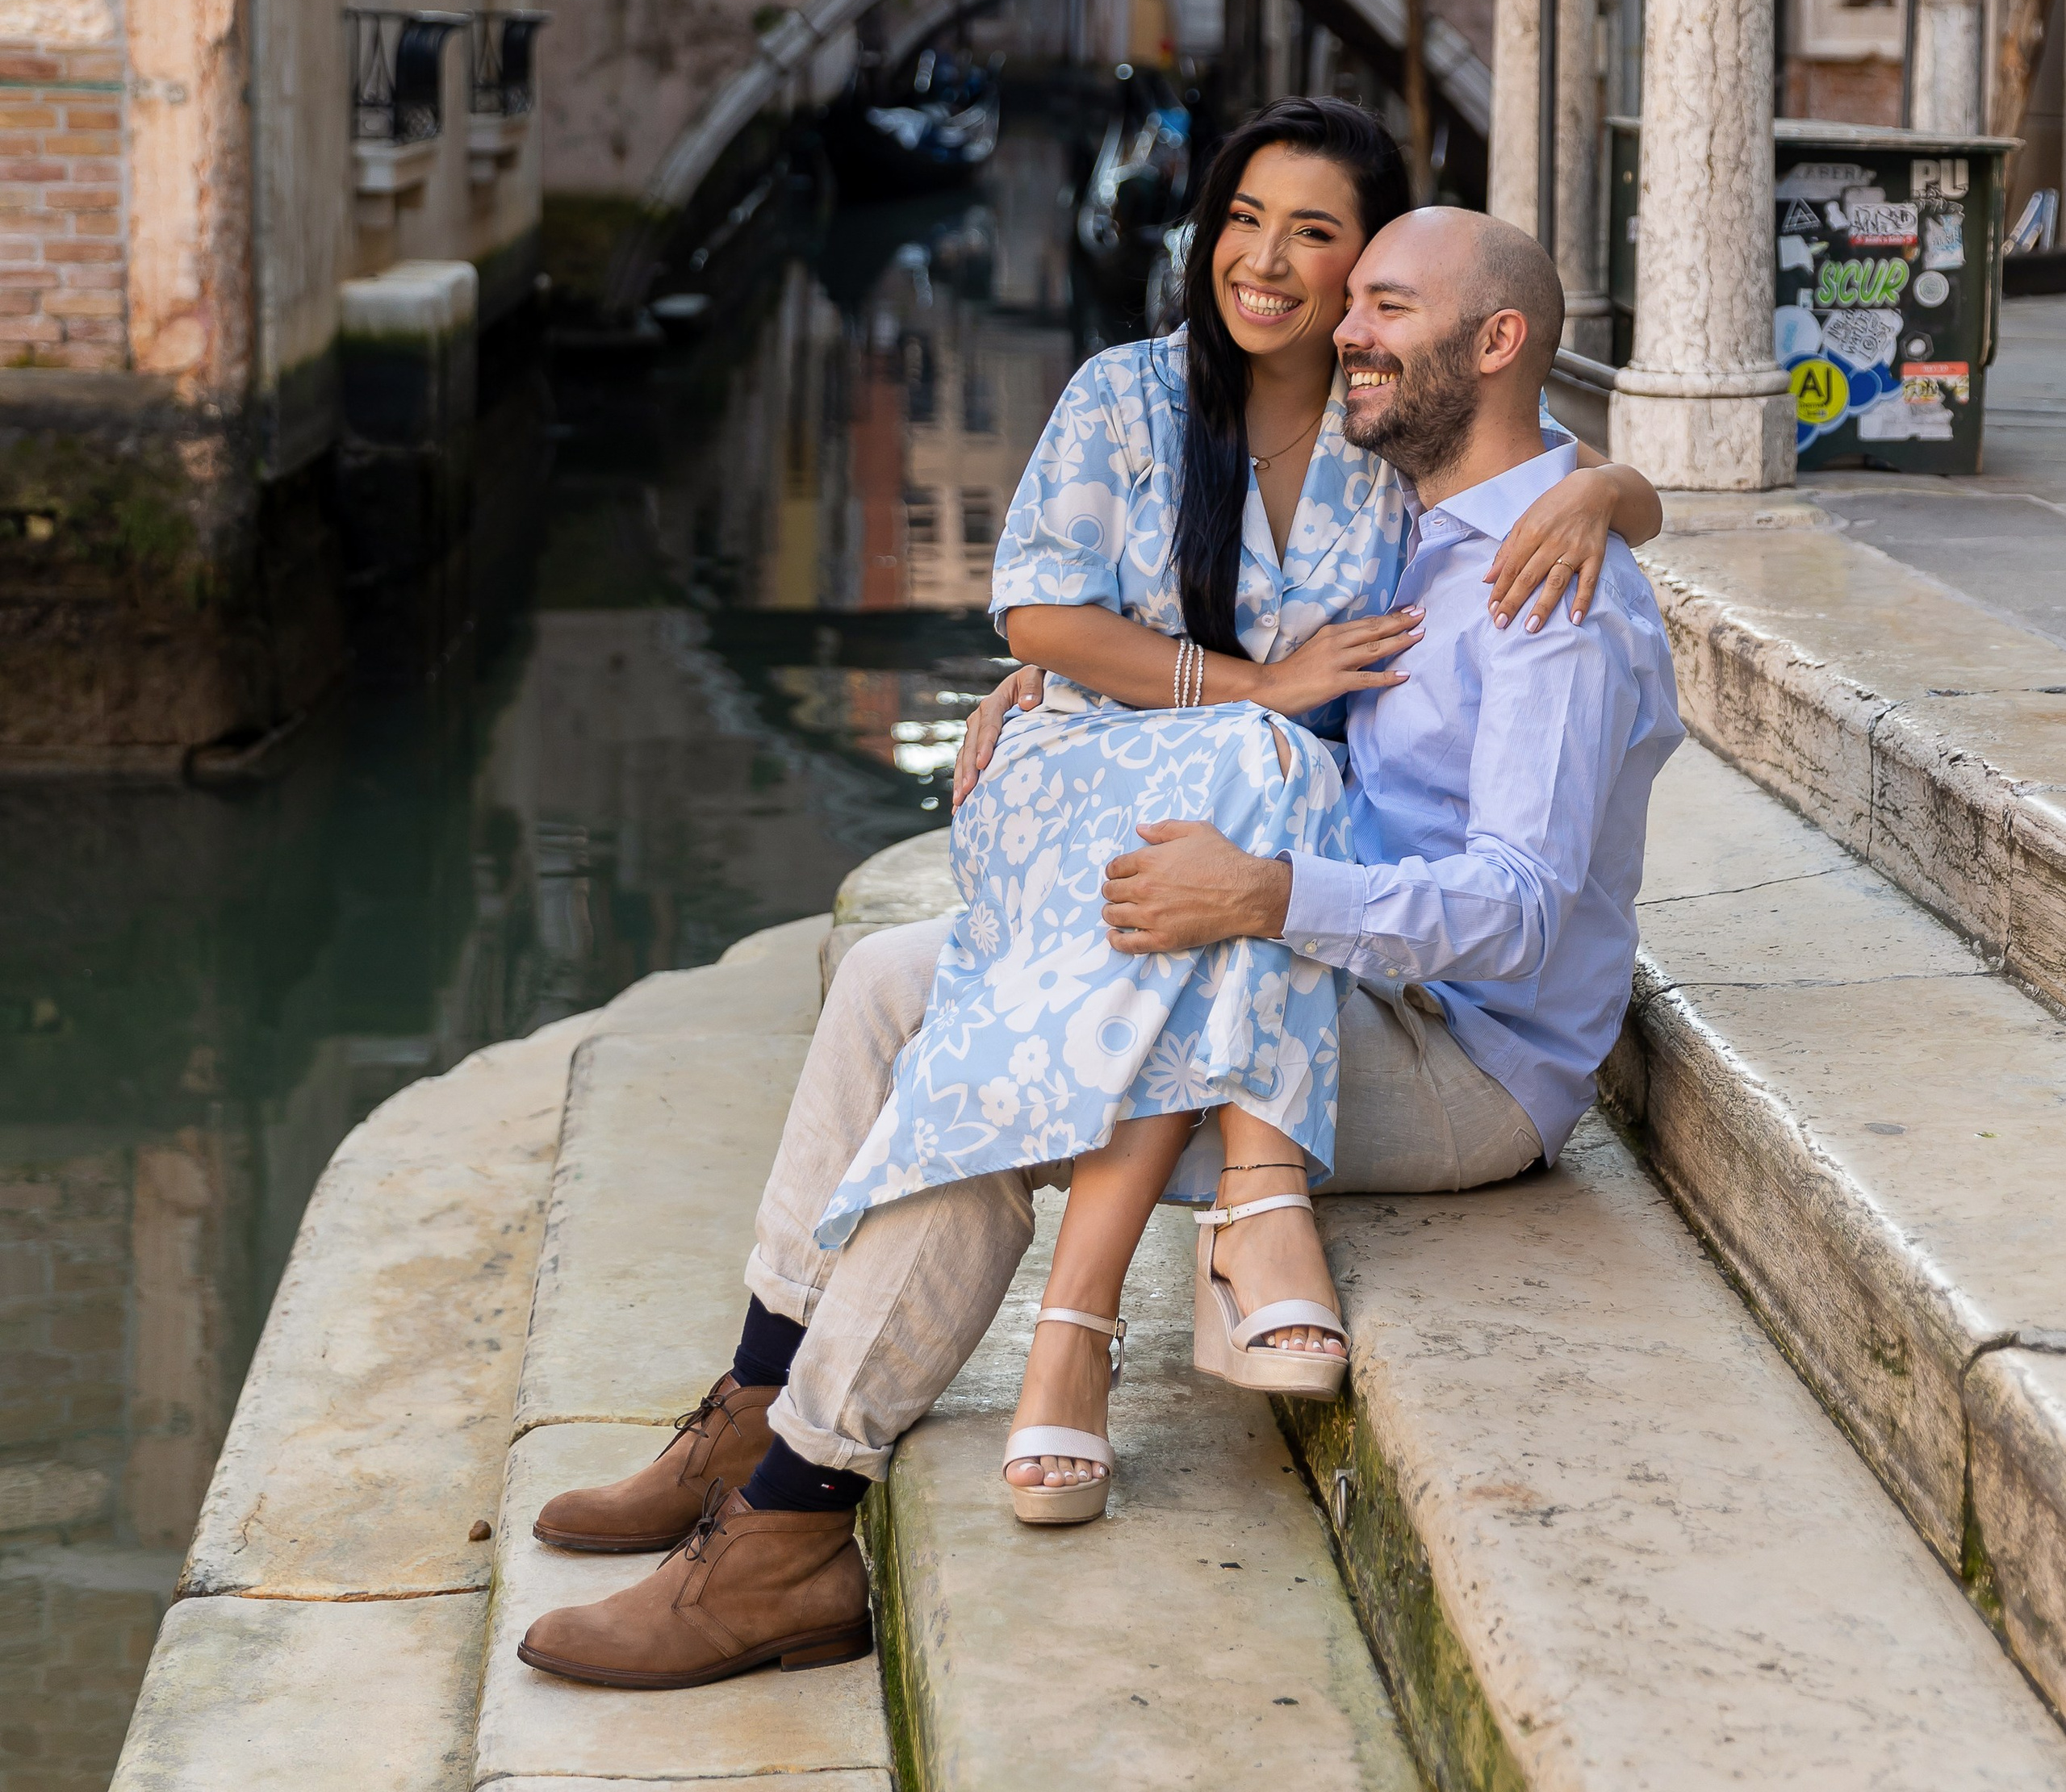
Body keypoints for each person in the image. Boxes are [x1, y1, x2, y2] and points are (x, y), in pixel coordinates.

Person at [515, 137, 1674, 1690]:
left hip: (1463, 1060)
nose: (1343, 331)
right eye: (1353, 303)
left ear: (1492, 342)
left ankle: (791, 1531)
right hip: (1315, 968)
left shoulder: (1548, 589)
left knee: (1008, 1065)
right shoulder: (1438, 510)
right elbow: (1498, 464)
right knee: (890, 987)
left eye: (1375, 294)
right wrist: (1054, 674)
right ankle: (755, 1405)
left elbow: (1524, 916)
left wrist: (1266, 889)